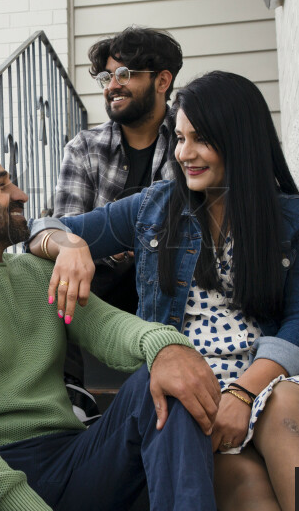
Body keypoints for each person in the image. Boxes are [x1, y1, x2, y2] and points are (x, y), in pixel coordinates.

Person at [30, 72, 299, 511]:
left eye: (200, 139)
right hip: (193, 396)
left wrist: (243, 393)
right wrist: (68, 245)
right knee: (244, 482)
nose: (185, 154)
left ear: (239, 140)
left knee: (285, 409)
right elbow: (42, 230)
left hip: (278, 381)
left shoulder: (297, 220)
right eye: (179, 138)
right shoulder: (154, 207)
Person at [0, 128, 220, 511]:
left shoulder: (37, 272)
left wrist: (164, 345)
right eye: (2, 186)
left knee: (167, 378)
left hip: (71, 462)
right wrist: (18, 501)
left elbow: (109, 328)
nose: (21, 195)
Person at [55, 27, 183, 420]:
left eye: (125, 74)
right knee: (48, 268)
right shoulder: (85, 148)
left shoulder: (189, 138)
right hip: (102, 284)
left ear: (162, 80)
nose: (113, 85)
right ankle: (71, 397)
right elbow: (68, 228)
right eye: (107, 77)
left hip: (171, 279)